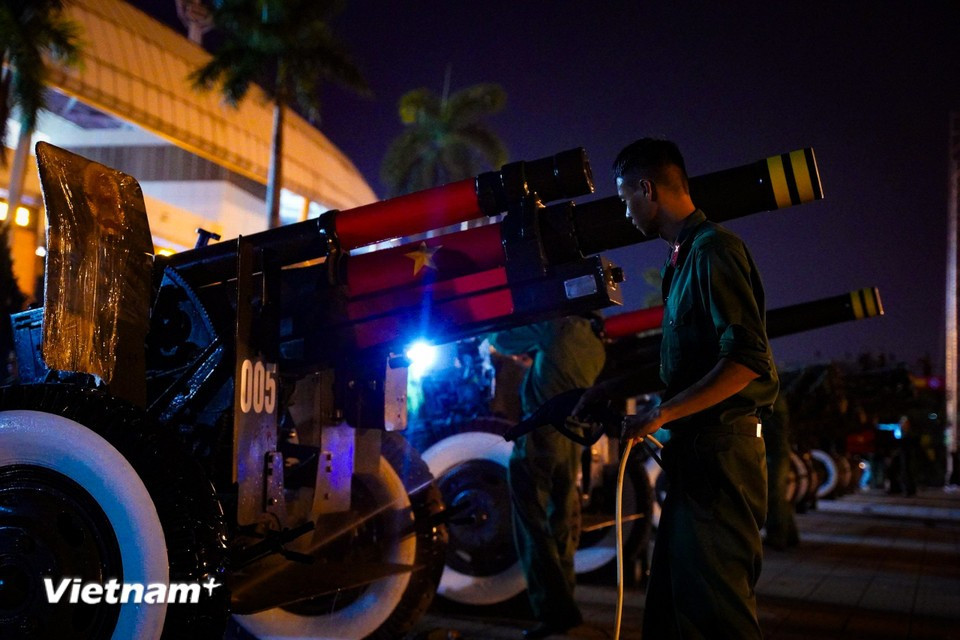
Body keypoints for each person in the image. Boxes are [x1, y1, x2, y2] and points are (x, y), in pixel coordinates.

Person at [577, 138, 778, 639]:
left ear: (647, 189)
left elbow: (746, 361)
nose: (625, 212)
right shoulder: (682, 260)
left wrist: (661, 414)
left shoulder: (715, 251)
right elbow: (687, 364)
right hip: (695, 459)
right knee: (672, 611)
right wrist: (611, 387)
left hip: (721, 460)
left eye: (625, 198)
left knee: (717, 615)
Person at [488, 315, 606, 639]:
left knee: (532, 525)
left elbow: (501, 341)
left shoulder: (556, 326)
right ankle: (565, 603)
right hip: (572, 437)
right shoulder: (596, 345)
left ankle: (554, 613)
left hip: (541, 436)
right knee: (560, 524)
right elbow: (560, 372)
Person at [763, 392, 800, 550]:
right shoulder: (777, 398)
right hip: (779, 451)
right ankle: (790, 534)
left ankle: (778, 536)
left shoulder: (771, 399)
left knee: (774, 494)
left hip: (774, 452)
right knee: (778, 494)